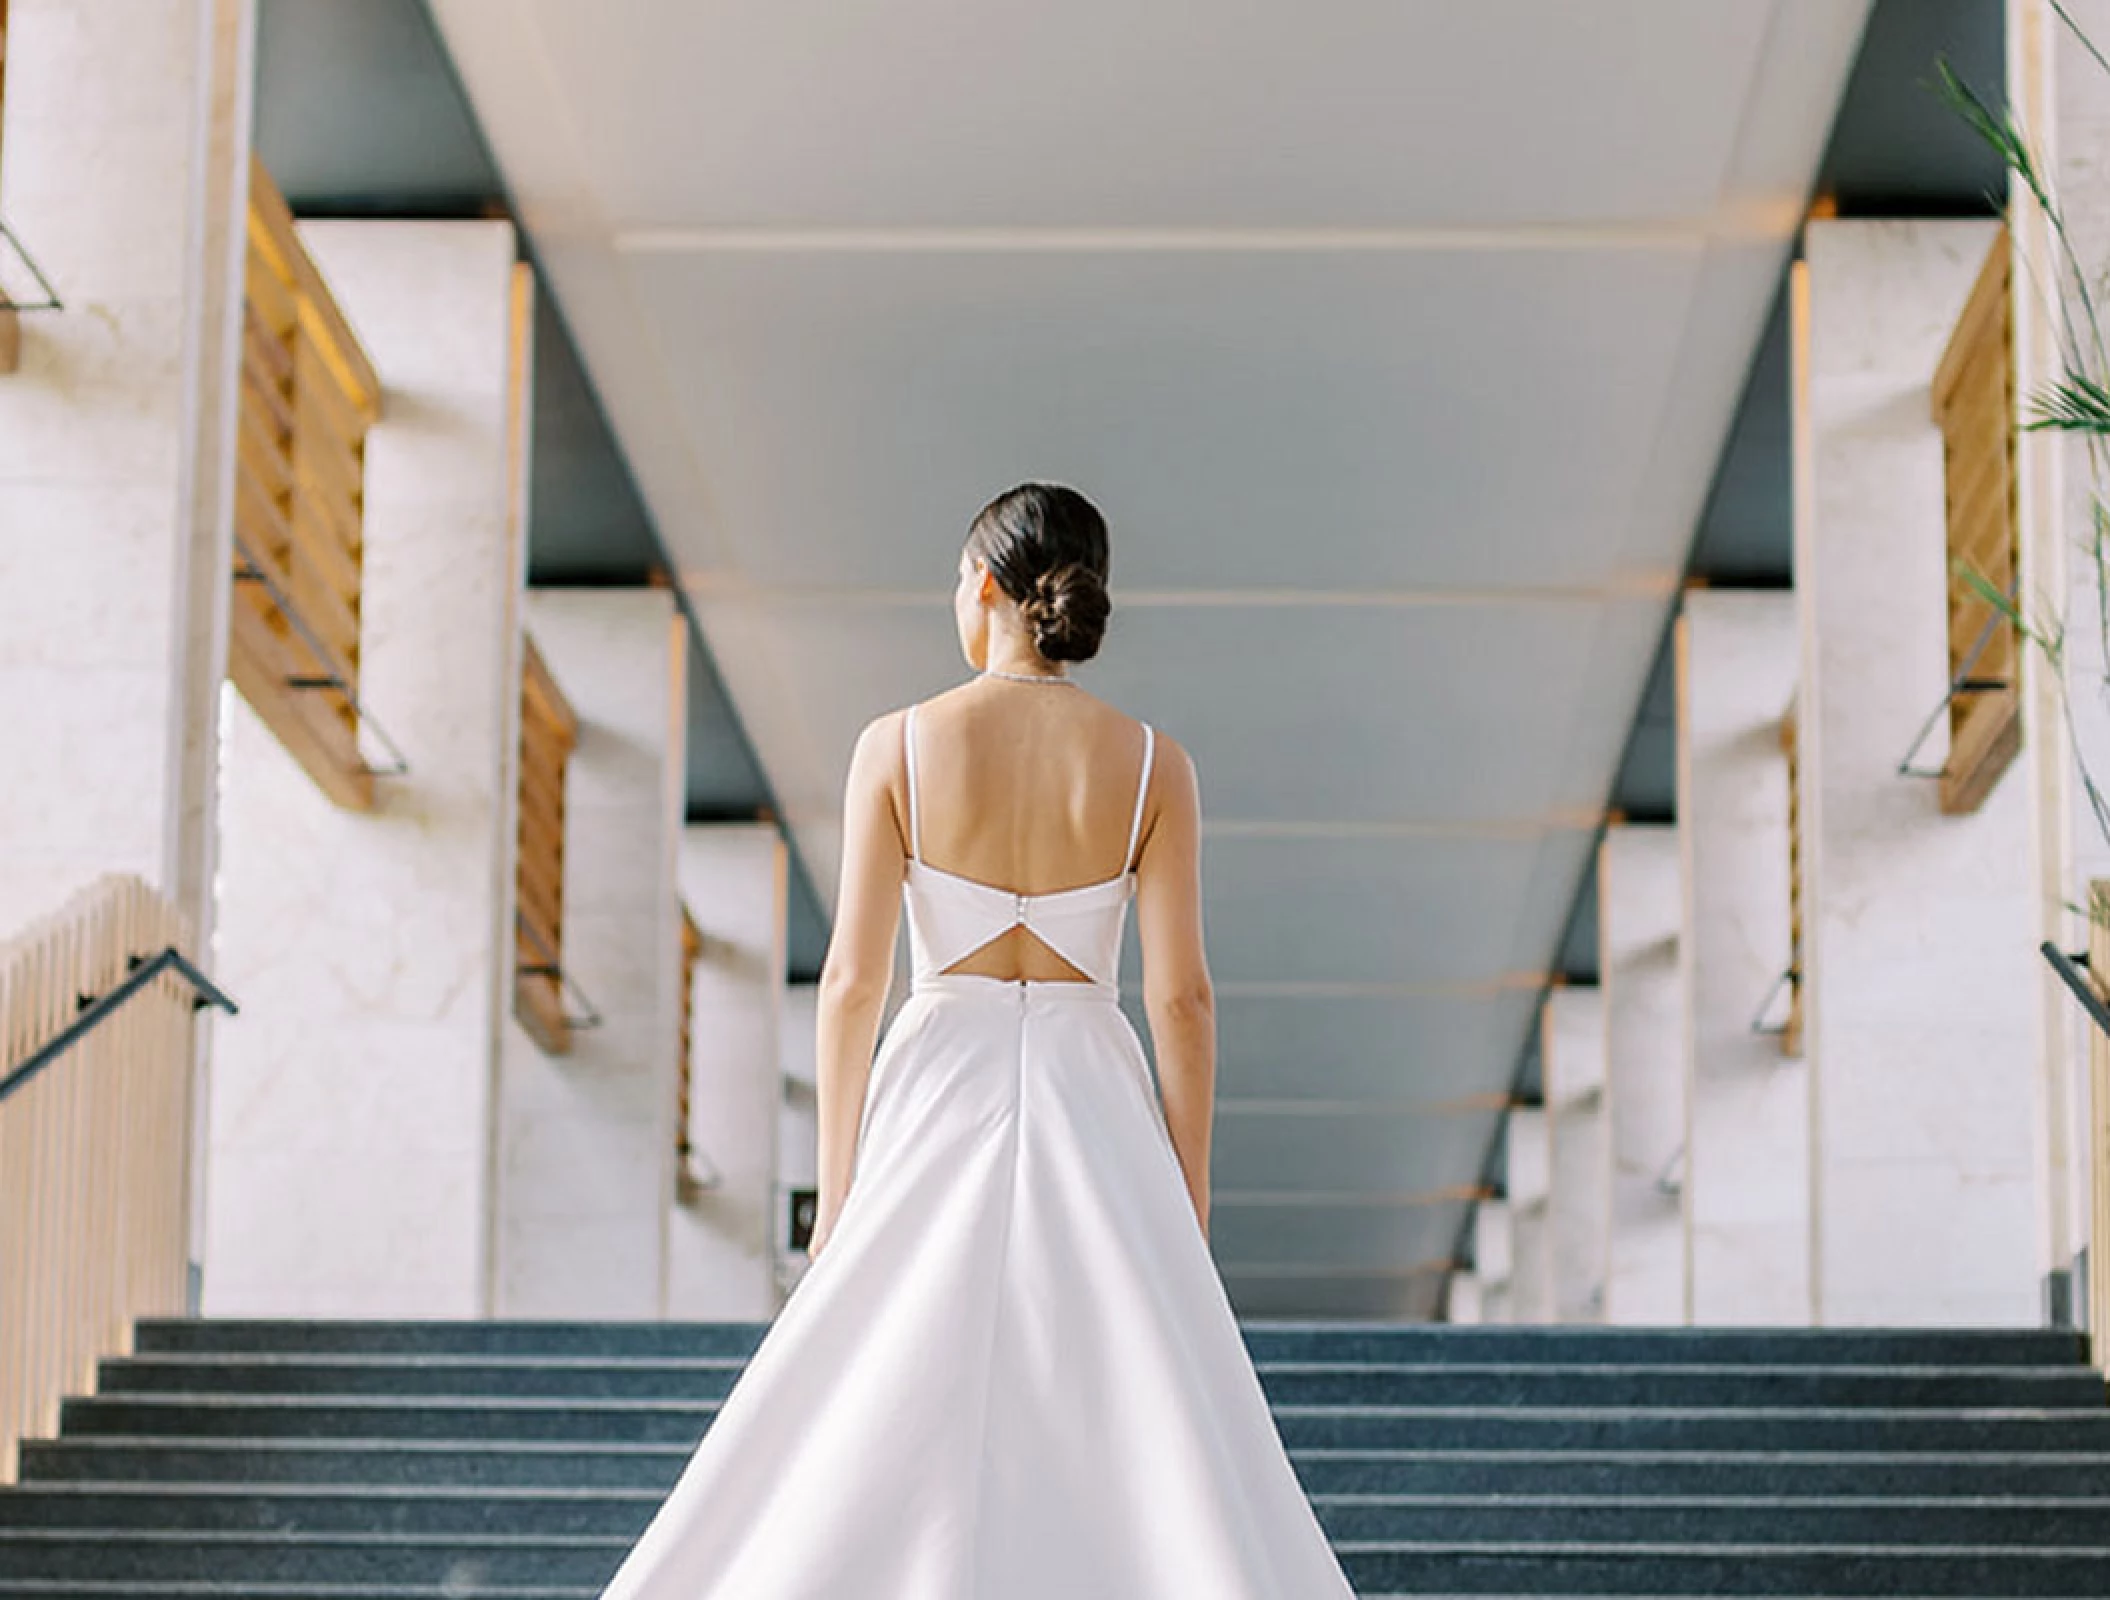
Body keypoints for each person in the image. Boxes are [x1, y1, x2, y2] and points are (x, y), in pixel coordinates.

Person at [597, 483, 1358, 1598]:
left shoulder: (896, 743)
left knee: (881, 1374)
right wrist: (1186, 1188)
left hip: (935, 1076)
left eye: (958, 578)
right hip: (1091, 1082)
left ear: (989, 586)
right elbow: (1182, 998)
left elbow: (856, 980)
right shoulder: (1153, 764)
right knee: (1128, 1393)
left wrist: (836, 1185)